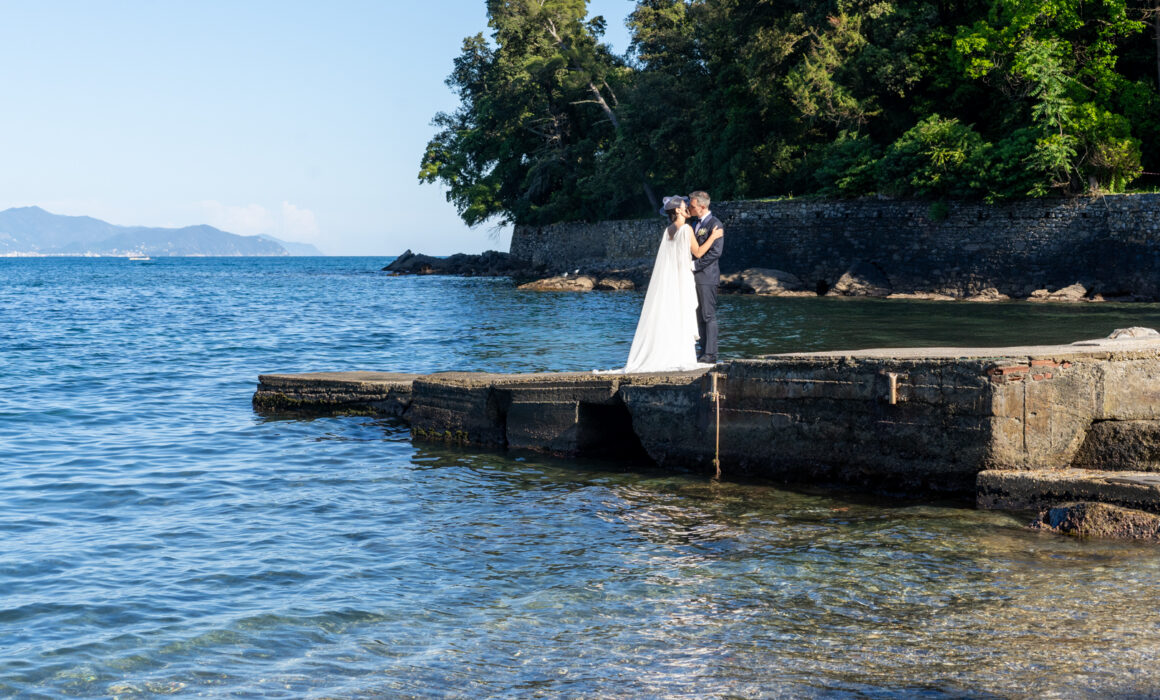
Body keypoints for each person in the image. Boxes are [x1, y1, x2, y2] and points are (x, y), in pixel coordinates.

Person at [600, 196, 723, 373]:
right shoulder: (687, 229)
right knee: (681, 312)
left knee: (671, 313)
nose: (687, 206)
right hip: (683, 277)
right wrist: (713, 236)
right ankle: (681, 354)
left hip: (671, 278)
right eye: (684, 205)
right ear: (678, 211)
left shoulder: (669, 231)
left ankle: (669, 352)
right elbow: (699, 251)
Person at [687, 190, 724, 363]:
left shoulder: (715, 224)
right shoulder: (694, 223)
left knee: (708, 314)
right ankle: (702, 351)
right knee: (698, 314)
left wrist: (695, 265)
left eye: (692, 205)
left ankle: (711, 353)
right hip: (693, 276)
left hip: (707, 276)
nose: (689, 208)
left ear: (702, 206)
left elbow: (715, 253)